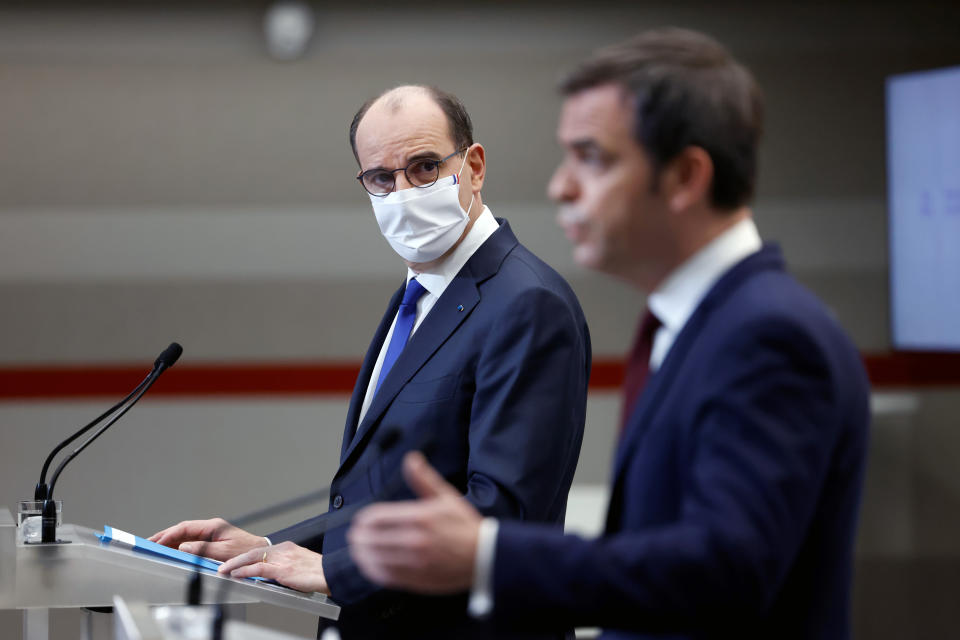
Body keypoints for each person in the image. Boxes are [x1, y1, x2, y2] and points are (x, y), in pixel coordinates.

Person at [346, 28, 871, 640]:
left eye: (591, 157)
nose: (561, 187)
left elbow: (725, 573)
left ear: (684, 177)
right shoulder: (691, 325)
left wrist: (488, 556)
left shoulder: (769, 335)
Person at [150, 85, 591, 639]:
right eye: (382, 177)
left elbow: (502, 515)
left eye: (425, 167)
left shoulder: (528, 303)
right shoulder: (420, 292)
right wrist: (271, 548)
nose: (402, 191)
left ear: (473, 167)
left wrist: (339, 571)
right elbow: (384, 501)